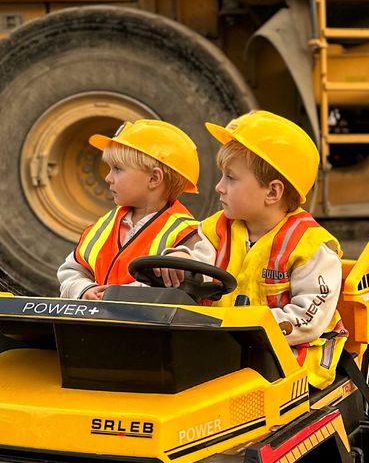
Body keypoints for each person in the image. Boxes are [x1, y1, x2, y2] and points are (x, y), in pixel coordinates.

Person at [163, 110, 346, 389]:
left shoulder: (311, 249)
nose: (219, 187)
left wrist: (241, 329)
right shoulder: (218, 229)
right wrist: (180, 259)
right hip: (228, 352)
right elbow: (199, 267)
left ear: (272, 192)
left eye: (231, 178)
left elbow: (307, 320)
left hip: (288, 363)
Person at [58, 119, 200, 300]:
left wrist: (117, 296)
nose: (108, 177)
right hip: (97, 324)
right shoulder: (104, 226)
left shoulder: (187, 234)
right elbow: (71, 271)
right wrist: (84, 290)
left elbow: (181, 288)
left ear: (154, 178)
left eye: (117, 169)